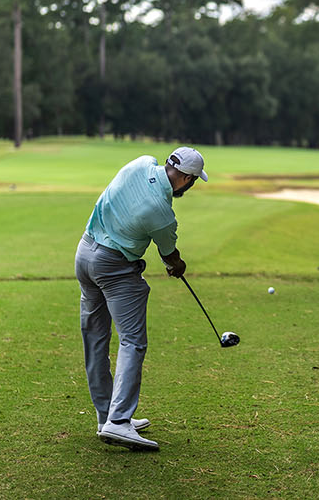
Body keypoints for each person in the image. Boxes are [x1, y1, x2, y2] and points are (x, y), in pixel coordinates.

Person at [75, 146, 208, 452]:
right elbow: (169, 255)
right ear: (186, 179)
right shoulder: (162, 214)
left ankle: (106, 416)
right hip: (114, 267)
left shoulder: (141, 163)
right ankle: (119, 421)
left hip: (84, 254)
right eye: (192, 181)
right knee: (132, 341)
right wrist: (177, 266)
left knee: (96, 339)